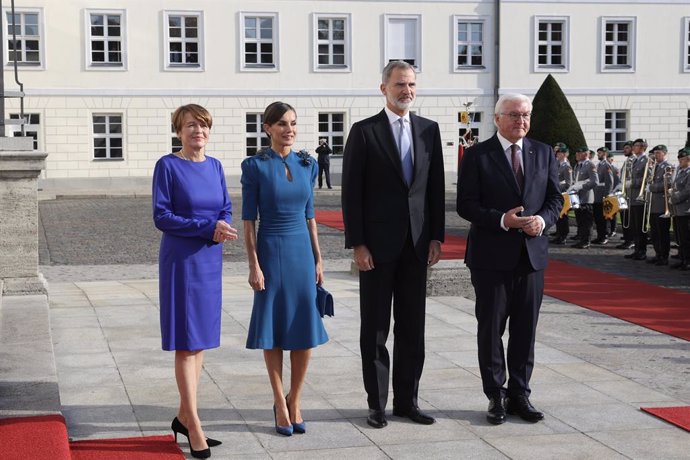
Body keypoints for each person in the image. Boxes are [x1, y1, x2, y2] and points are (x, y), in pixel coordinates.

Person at [341, 60, 445, 429]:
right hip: (377, 248)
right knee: (375, 329)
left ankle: (407, 401)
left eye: (412, 84)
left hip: (416, 246)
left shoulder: (429, 131)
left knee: (412, 327)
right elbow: (351, 194)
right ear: (383, 88)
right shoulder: (364, 132)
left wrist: (436, 236)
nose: (407, 91)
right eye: (400, 84)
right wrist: (358, 244)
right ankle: (377, 404)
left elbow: (434, 189)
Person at [456, 93, 561, 425]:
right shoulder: (477, 155)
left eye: (526, 115)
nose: (522, 121)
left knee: (525, 329)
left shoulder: (542, 152)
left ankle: (520, 393)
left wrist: (543, 220)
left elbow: (555, 198)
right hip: (490, 257)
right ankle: (495, 395)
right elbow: (466, 204)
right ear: (498, 119)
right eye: (515, 115)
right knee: (491, 330)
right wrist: (503, 220)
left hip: (532, 257)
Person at [152, 104, 238, 459]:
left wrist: (222, 226)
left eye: (202, 125)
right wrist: (207, 228)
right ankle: (195, 425)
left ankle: (183, 417)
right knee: (187, 344)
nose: (197, 131)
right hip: (182, 261)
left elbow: (226, 207)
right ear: (178, 131)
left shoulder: (216, 166)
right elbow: (162, 216)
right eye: (190, 126)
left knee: (200, 341)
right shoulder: (168, 166)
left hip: (209, 259)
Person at [242, 101, 329, 437]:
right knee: (274, 327)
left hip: (301, 253)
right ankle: (279, 401)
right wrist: (254, 264)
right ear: (267, 128)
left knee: (304, 328)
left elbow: (311, 217)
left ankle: (296, 399)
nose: (288, 129)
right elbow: (249, 220)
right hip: (271, 248)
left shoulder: (307, 164)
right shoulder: (255, 166)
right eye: (281, 124)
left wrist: (318, 259)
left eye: (293, 123)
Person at [647, 145, 672, 266]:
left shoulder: (668, 167)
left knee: (663, 233)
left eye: (658, 153)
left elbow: (668, 184)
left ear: (664, 154)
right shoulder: (654, 167)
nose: (656, 155)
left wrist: (652, 187)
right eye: (655, 153)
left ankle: (664, 256)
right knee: (655, 232)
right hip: (653, 204)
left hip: (662, 204)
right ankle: (658, 253)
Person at [626, 138, 650, 260]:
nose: (633, 148)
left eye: (635, 146)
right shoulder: (635, 160)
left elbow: (647, 178)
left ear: (642, 147)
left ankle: (642, 251)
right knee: (634, 226)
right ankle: (636, 249)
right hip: (633, 197)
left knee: (640, 227)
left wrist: (633, 182)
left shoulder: (646, 160)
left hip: (640, 199)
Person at [570, 146, 598, 249]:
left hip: (586, 197)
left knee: (587, 221)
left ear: (585, 154)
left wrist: (582, 186)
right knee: (580, 221)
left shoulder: (590, 165)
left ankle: (586, 241)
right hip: (578, 198)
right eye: (576, 152)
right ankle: (581, 240)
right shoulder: (578, 165)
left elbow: (595, 181)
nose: (576, 154)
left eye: (579, 153)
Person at [669, 148, 690, 270]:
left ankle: (687, 261)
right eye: (679, 159)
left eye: (682, 159)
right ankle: (682, 259)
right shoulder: (681, 172)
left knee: (686, 237)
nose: (680, 162)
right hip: (678, 209)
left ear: (688, 159)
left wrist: (675, 198)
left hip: (686, 209)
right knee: (681, 237)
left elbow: (688, 191)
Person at [550, 143, 572, 245]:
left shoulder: (566, 166)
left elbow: (568, 183)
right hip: (559, 193)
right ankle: (559, 234)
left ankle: (563, 236)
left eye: (558, 153)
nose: (557, 154)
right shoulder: (559, 164)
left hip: (563, 194)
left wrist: (557, 186)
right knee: (559, 216)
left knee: (563, 217)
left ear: (563, 154)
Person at [615, 141, 635, 249]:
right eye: (624, 148)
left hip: (629, 193)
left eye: (627, 148)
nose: (624, 150)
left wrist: (624, 185)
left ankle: (630, 240)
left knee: (628, 218)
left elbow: (631, 177)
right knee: (624, 218)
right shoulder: (628, 160)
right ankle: (627, 239)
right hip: (624, 192)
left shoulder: (633, 160)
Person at [592, 147, 614, 245]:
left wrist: (607, 195)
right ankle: (599, 236)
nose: (598, 155)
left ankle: (604, 236)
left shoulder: (606, 165)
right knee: (598, 218)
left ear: (605, 154)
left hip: (603, 195)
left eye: (600, 153)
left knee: (603, 218)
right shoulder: (599, 165)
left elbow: (610, 182)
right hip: (596, 195)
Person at [606, 151, 620, 238]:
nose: (608, 161)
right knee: (607, 212)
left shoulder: (615, 169)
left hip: (613, 193)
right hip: (607, 193)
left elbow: (617, 181)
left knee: (613, 213)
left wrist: (614, 192)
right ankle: (608, 230)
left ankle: (613, 230)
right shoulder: (605, 167)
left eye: (609, 159)